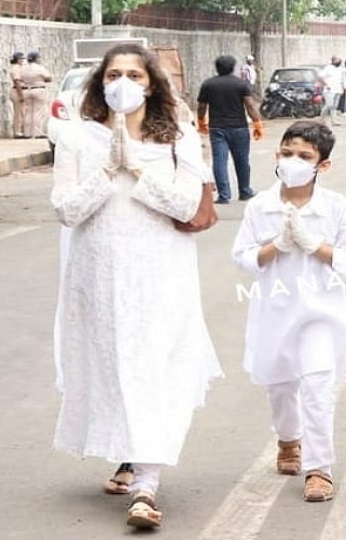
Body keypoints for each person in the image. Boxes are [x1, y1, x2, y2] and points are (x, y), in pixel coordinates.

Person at [50, 42, 223, 530]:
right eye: (113, 74)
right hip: (97, 273)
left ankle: (147, 483)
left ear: (152, 84)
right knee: (113, 367)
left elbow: (189, 207)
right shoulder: (78, 138)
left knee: (154, 366)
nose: (122, 83)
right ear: (99, 83)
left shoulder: (178, 135)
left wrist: (139, 170)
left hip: (158, 270)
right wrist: (107, 170)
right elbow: (65, 210)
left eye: (134, 75)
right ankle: (130, 456)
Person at [232, 120, 346, 503]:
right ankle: (289, 440)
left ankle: (319, 467)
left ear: (323, 165)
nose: (293, 161)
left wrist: (311, 243)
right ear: (276, 155)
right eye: (287, 153)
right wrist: (278, 245)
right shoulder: (260, 207)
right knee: (282, 386)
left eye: (305, 156)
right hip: (276, 310)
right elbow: (242, 258)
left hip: (320, 312)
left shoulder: (335, 207)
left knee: (318, 385)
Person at [197, 54, 263, 204]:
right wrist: (257, 123)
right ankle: (245, 191)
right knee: (242, 161)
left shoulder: (208, 84)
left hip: (217, 128)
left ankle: (224, 195)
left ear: (217, 67)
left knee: (219, 161)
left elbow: (201, 106)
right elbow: (250, 105)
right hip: (239, 128)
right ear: (233, 67)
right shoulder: (241, 84)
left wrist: (201, 121)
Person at [21, 51, 52, 138]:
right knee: (38, 112)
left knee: (28, 112)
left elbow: (21, 79)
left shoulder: (23, 69)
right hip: (38, 89)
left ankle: (27, 133)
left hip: (26, 90)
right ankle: (37, 133)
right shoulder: (40, 68)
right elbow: (49, 78)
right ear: (36, 59)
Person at [319, 56, 345, 127]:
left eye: (339, 59)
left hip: (338, 89)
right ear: (333, 61)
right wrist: (326, 85)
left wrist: (343, 88)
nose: (338, 61)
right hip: (329, 90)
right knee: (329, 105)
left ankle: (334, 121)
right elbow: (320, 77)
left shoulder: (341, 69)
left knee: (335, 106)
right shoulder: (328, 68)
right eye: (337, 60)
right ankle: (321, 119)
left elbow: (342, 79)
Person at [9, 51, 26, 138]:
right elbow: (17, 81)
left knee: (22, 112)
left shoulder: (19, 67)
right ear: (18, 59)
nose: (23, 60)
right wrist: (21, 94)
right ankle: (17, 132)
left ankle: (21, 130)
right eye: (22, 58)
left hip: (20, 90)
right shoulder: (16, 68)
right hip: (17, 91)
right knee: (18, 112)